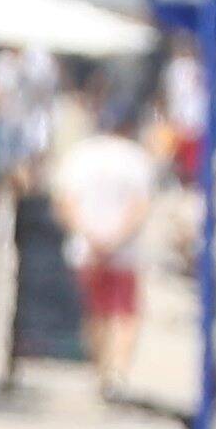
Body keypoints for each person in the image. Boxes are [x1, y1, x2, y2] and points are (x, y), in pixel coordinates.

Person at [47, 116, 161, 391]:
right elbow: (141, 205)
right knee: (124, 312)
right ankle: (118, 370)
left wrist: (89, 235)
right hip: (124, 249)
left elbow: (65, 201)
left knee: (93, 311)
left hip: (86, 248)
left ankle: (100, 368)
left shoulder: (80, 155)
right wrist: (115, 238)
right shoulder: (136, 159)